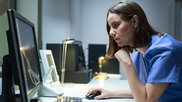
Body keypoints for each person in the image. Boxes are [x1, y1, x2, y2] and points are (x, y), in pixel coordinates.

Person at [87, 1, 182, 102]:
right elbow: (144, 91)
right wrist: (111, 93)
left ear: (135, 21)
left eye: (116, 25)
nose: (111, 32)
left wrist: (127, 63)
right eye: (110, 27)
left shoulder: (165, 51)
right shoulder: (138, 54)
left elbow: (145, 100)